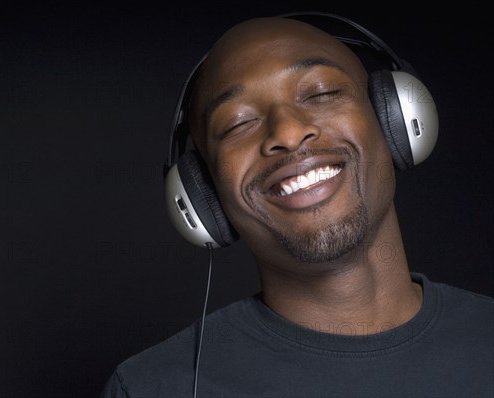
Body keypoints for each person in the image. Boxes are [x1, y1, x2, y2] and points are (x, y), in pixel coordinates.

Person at [100, 12, 494, 398]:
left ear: (396, 118)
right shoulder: (151, 388)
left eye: (322, 93)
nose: (287, 133)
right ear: (202, 192)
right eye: (237, 124)